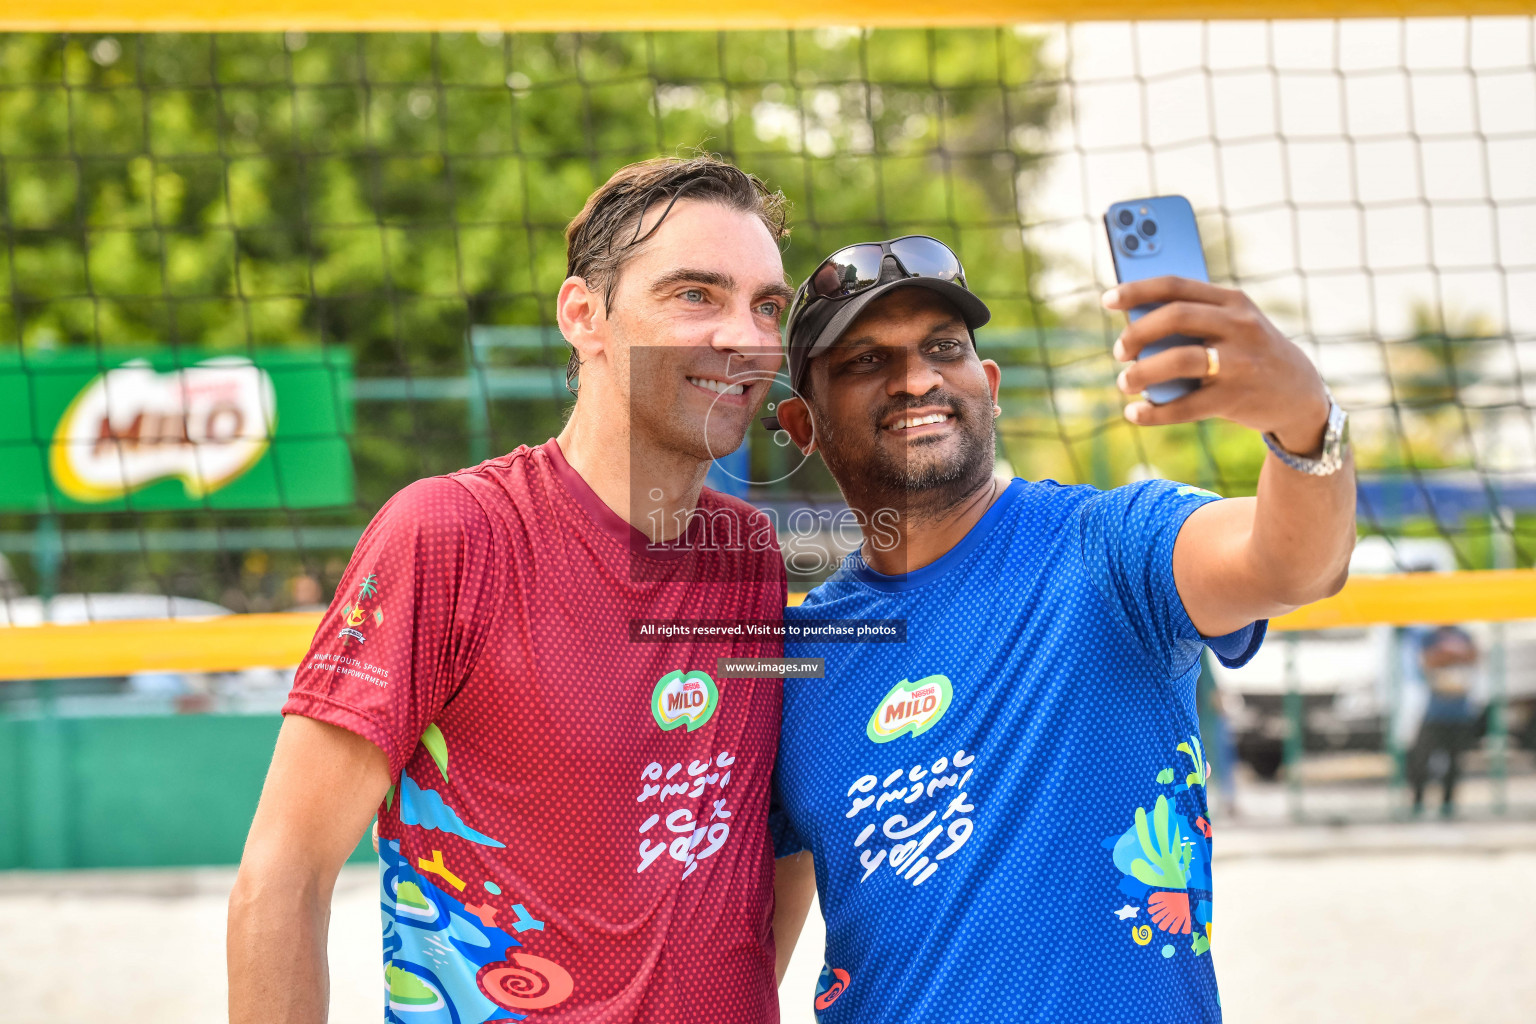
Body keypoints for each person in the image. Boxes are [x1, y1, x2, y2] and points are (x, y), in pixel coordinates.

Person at [228, 156, 796, 1024]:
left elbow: (766, 847)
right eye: (695, 296)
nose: (744, 336)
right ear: (584, 316)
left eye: (766, 306)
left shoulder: (751, 554)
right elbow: (282, 877)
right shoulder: (451, 534)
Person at [765, 236, 1356, 1021]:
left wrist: (1303, 417)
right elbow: (751, 949)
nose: (918, 379)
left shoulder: (1109, 548)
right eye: (865, 362)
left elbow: (1293, 566)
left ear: (990, 384)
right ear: (802, 425)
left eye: (944, 348)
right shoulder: (797, 661)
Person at [1406, 625, 1481, 817]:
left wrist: (1447, 655)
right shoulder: (1429, 635)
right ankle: (1418, 802)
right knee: (1420, 760)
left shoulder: (1464, 634)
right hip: (1435, 713)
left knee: (1455, 763)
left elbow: (1474, 657)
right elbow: (1428, 661)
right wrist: (1454, 655)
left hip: (1460, 713)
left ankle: (1447, 804)